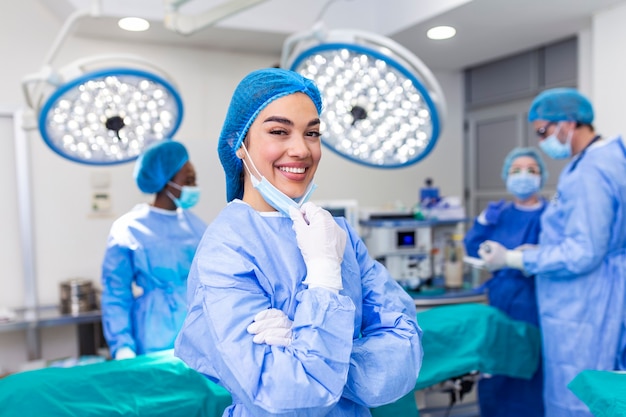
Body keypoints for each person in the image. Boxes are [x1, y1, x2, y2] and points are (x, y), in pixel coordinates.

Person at [174, 68, 423, 416]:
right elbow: (280, 391)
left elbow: (405, 349)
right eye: (279, 131)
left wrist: (306, 345)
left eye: (312, 133)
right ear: (238, 144)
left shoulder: (337, 235)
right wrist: (323, 276)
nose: (301, 149)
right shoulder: (227, 247)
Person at [478, 88, 626, 417]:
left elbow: (583, 252)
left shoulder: (591, 172)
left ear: (568, 124)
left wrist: (516, 259)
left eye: (544, 131)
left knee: (577, 398)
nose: (544, 140)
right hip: (589, 297)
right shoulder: (600, 161)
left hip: (583, 305)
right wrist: (544, 250)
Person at [101, 140, 207, 360]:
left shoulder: (196, 226)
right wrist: (122, 345)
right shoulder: (129, 229)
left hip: (198, 334)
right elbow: (116, 292)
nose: (193, 187)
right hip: (152, 334)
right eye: (188, 180)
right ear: (166, 182)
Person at [464, 146, 548, 417]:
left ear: (541, 177)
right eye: (516, 171)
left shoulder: (551, 216)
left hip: (535, 301)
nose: (523, 176)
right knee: (497, 368)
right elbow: (471, 247)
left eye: (531, 171)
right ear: (506, 176)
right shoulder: (499, 214)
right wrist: (481, 221)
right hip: (500, 299)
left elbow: (556, 258)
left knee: (529, 368)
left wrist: (521, 257)